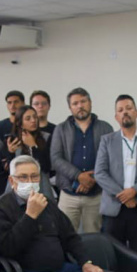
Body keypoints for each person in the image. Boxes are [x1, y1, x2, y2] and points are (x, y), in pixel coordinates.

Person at [94, 95, 137, 255]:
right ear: (116, 117)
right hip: (114, 206)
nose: (125, 112)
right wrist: (123, 195)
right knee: (113, 253)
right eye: (120, 110)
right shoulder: (107, 140)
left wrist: (135, 191)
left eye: (129, 108)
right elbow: (100, 173)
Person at [50, 87, 113, 234]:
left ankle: (92, 259)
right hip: (68, 194)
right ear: (70, 108)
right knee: (65, 236)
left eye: (83, 101)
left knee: (94, 238)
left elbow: (112, 158)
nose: (80, 106)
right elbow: (56, 159)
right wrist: (79, 176)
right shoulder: (61, 129)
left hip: (96, 195)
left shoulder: (105, 128)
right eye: (75, 103)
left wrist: (92, 178)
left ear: (90, 103)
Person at [7, 105, 54, 201]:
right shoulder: (13, 140)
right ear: (20, 123)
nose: (33, 121)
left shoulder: (46, 137)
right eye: (28, 118)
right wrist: (10, 153)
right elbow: (8, 169)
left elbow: (46, 167)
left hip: (41, 184)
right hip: (18, 185)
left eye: (35, 117)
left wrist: (33, 147)